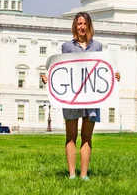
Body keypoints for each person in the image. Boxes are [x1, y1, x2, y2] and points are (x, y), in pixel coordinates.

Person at [43, 11, 120, 180]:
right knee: (71, 137)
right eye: (79, 24)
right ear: (75, 26)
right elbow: (61, 69)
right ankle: (72, 174)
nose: (82, 27)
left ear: (89, 25)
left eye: (85, 24)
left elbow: (102, 70)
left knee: (87, 137)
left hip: (91, 99)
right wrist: (49, 79)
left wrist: (114, 76)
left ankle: (84, 175)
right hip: (72, 98)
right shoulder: (67, 47)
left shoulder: (97, 47)